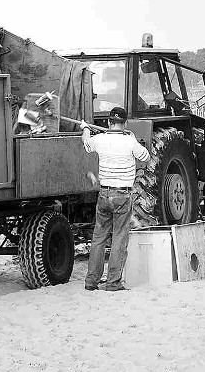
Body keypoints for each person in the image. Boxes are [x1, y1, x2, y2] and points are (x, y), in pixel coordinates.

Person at [81, 107, 149, 292]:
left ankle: (91, 282)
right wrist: (133, 139)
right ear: (125, 123)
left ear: (109, 122)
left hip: (104, 195)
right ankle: (113, 283)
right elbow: (146, 156)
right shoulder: (130, 141)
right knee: (119, 238)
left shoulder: (100, 139)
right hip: (122, 196)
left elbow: (86, 144)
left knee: (98, 239)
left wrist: (85, 127)